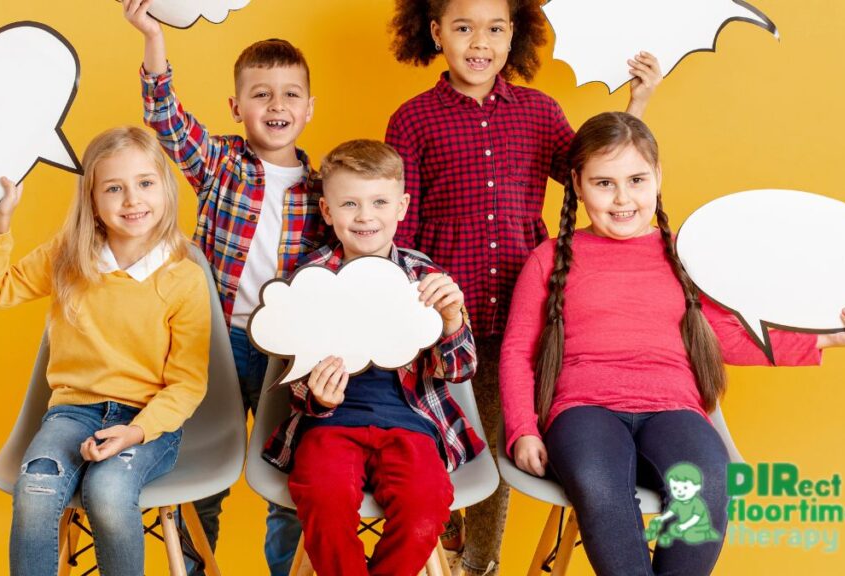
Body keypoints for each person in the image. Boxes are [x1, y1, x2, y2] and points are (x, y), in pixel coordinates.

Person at [500, 111, 845, 576]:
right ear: (577, 184)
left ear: (658, 177)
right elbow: (519, 351)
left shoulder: (685, 256)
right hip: (583, 411)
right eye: (604, 184)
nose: (623, 199)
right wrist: (522, 428)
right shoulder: (549, 258)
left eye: (637, 179)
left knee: (711, 483)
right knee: (601, 487)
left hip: (673, 409)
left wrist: (829, 339)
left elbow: (728, 337)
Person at [385, 1, 662, 572]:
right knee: (433, 438)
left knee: (492, 444)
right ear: (436, 33)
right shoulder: (412, 119)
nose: (479, 41)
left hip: (519, 314)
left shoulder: (539, 111)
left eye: (495, 28)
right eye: (463, 27)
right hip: (435, 318)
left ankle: (480, 563)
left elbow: (596, 172)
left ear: (516, 36)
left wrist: (637, 105)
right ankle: (445, 534)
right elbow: (400, 226)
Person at [123, 1, 328, 572]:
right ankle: (193, 563)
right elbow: (164, 117)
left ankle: (287, 569)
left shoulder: (323, 189)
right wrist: (152, 38)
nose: (277, 104)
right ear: (237, 108)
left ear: (309, 108)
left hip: (290, 352)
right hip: (218, 343)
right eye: (261, 94)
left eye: (290, 94)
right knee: (202, 470)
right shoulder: (219, 164)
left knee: (290, 477)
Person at [0, 126, 211, 576]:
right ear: (93, 202)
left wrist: (136, 432)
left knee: (108, 491)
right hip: (71, 414)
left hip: (147, 422)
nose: (132, 200)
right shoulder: (68, 255)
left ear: (164, 187)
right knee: (37, 488)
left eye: (144, 183)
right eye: (114, 189)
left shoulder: (184, 277)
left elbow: (187, 382)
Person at [261, 140, 485, 576]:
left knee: (425, 507)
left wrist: (453, 319)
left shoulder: (426, 276)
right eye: (350, 204)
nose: (365, 217)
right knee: (322, 499)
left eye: (379, 202)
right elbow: (296, 378)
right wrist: (317, 399)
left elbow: (460, 370)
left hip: (412, 425)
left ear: (401, 207)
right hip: (330, 427)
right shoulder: (310, 278)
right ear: (327, 211)